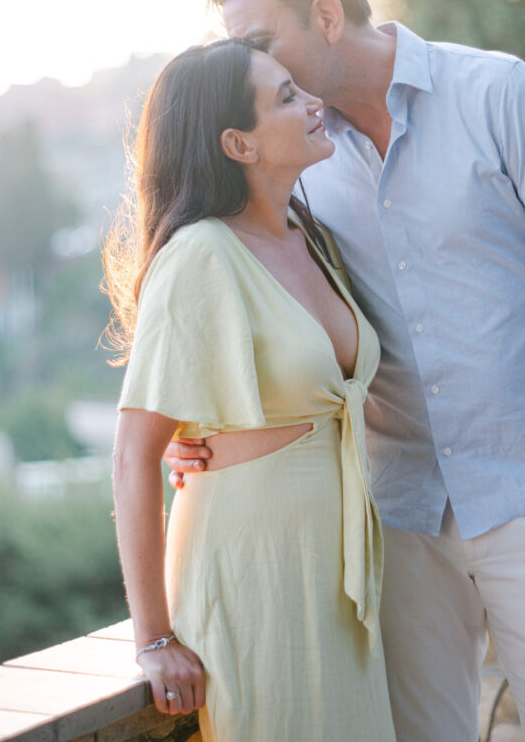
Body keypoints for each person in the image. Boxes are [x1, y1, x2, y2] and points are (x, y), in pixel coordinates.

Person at [165, 0, 525, 741]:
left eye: (257, 40)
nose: (245, 67)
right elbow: (248, 295)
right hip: (401, 524)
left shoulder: (502, 96)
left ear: (325, 15)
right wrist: (195, 430)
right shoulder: (300, 160)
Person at [105, 39, 396, 741]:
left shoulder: (311, 234)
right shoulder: (199, 256)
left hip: (338, 574)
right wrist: (154, 639)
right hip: (254, 571)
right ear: (238, 142)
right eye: (287, 96)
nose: (313, 102)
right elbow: (132, 456)